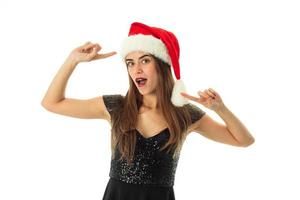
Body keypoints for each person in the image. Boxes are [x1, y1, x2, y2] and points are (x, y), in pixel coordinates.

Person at [41, 22, 255, 200]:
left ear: (162, 65)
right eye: (130, 63)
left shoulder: (185, 114)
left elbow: (244, 140)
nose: (137, 70)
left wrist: (221, 109)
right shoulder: (115, 107)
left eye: (145, 60)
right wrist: (72, 61)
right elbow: (52, 103)